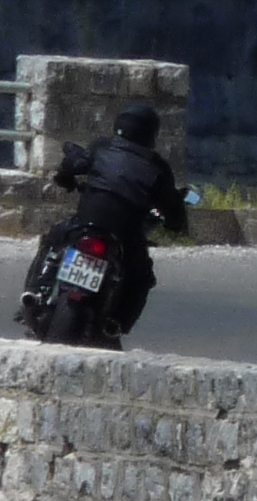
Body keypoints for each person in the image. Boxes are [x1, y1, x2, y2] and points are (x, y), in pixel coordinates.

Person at [45, 102, 190, 335]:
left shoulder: (102, 147)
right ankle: (117, 323)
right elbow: (173, 208)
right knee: (141, 276)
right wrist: (177, 225)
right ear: (151, 132)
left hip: (86, 221)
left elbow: (74, 164)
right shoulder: (157, 166)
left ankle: (35, 293)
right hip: (124, 232)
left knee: (54, 239)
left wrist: (65, 177)